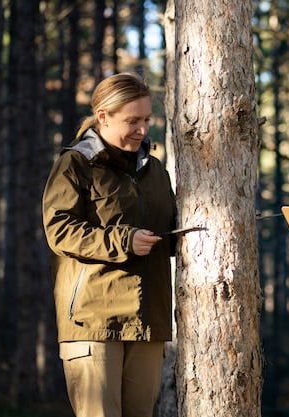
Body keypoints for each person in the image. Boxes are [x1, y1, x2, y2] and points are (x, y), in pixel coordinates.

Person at [42, 72, 177, 417]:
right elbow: (60, 230)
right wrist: (125, 240)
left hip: (149, 322)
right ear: (103, 116)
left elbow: (170, 228)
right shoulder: (75, 164)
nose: (143, 130)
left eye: (147, 119)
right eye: (132, 120)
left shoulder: (155, 170)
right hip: (93, 321)